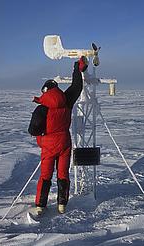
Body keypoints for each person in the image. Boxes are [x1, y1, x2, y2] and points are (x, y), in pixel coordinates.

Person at [32, 56, 88, 215]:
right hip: (64, 142)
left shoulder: (42, 108)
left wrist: (41, 137)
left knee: (45, 175)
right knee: (63, 174)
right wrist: (78, 67)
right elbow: (77, 86)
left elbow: (33, 129)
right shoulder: (66, 100)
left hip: (49, 145)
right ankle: (62, 204)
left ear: (44, 91)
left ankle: (40, 205)